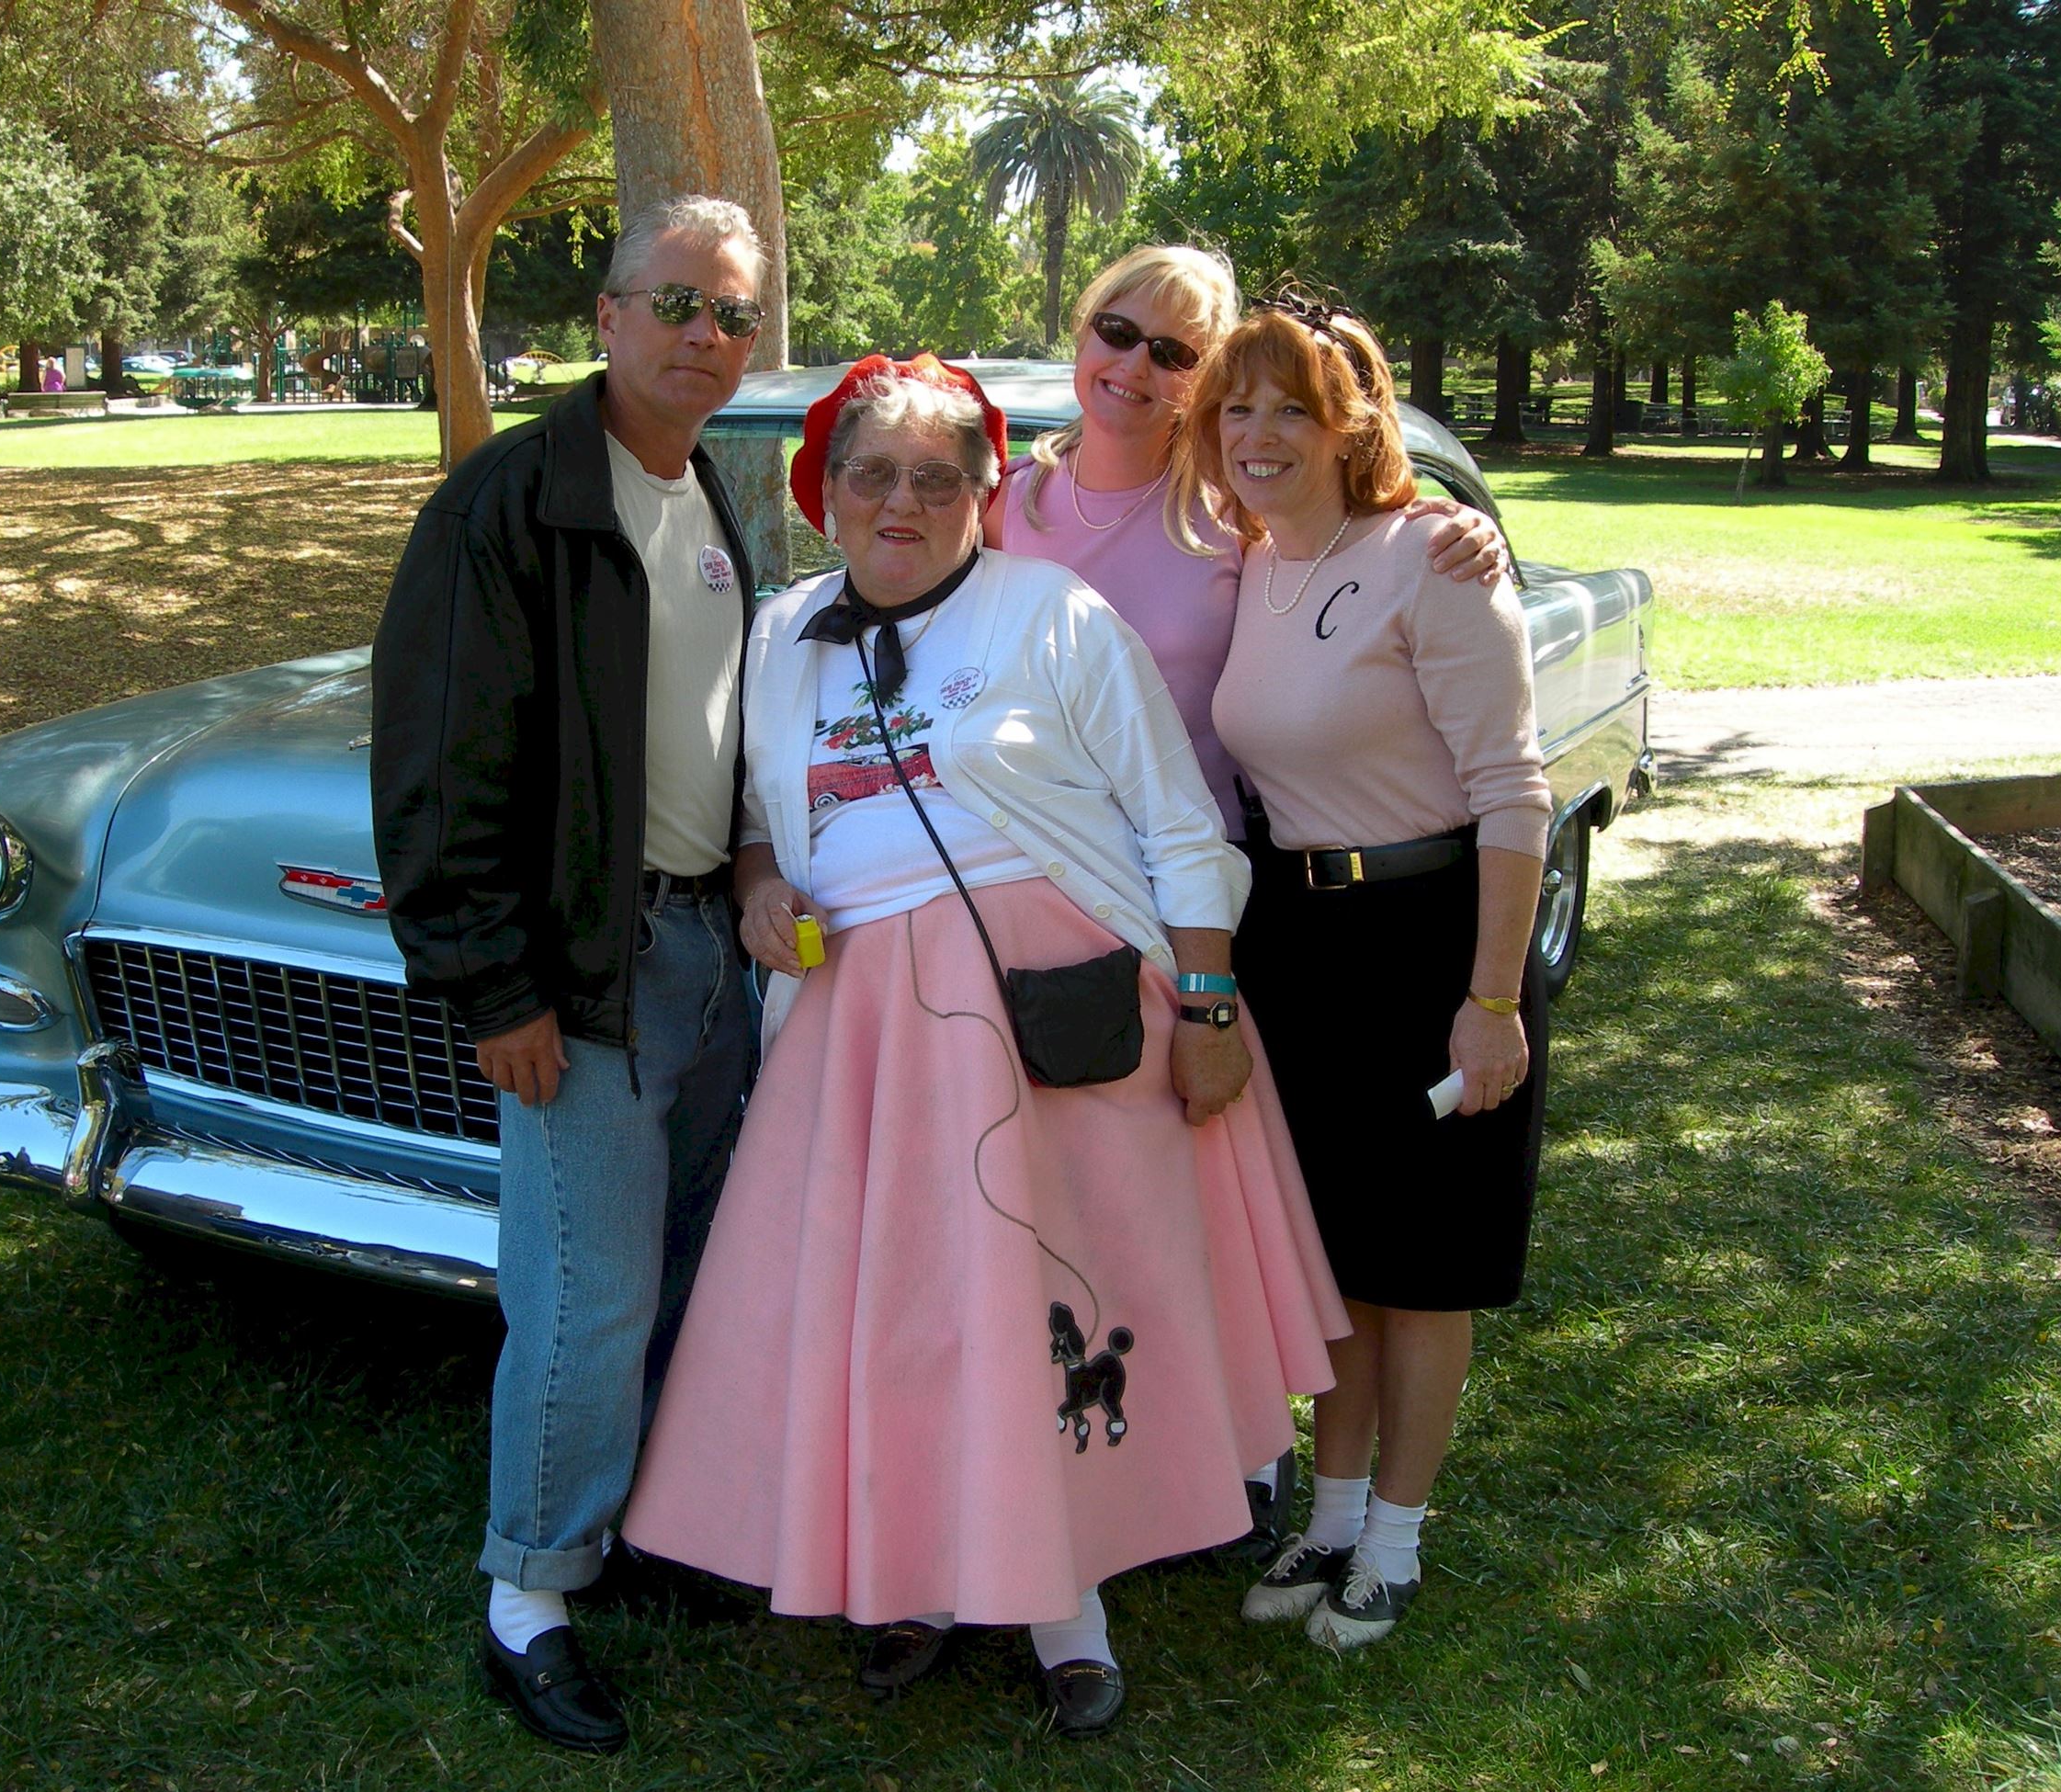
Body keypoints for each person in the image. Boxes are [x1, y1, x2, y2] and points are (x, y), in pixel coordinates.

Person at [620, 355, 1350, 1738]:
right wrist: (760, 884)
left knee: (1047, 1305)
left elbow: (1179, 823)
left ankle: (1063, 1593)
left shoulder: (1054, 616)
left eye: (937, 477)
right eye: (873, 474)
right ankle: (915, 1579)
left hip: (1064, 1018)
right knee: (907, 1310)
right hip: (865, 1038)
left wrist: (1203, 1009)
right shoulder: (778, 634)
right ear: (824, 492)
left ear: (983, 490)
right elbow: (763, 812)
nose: (903, 502)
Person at [983, 244, 1509, 1554]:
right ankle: (1052, 1450)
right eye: (1120, 330)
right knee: (1062, 1197)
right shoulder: (1001, 500)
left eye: (1177, 354)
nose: (1139, 367)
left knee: (1208, 1200)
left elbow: (1371, 561)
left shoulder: (1235, 522)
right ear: (1080, 327)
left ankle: (1245, 1462)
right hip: (1033, 900)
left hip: (1203, 908)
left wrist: (1455, 525)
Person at [369, 195, 773, 1755]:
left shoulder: (708, 497)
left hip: (696, 958)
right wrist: (495, 985)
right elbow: (437, 766)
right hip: (576, 973)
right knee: (586, 1296)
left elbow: (716, 736)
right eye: (675, 302)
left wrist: (745, 870)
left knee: (678, 1263)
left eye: (731, 314)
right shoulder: (508, 506)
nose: (703, 336)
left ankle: (642, 1525)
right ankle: (527, 1594)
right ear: (605, 316)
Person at [1168, 296, 1551, 1651]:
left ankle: (1393, 1539)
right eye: (1237, 409)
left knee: (1424, 1263)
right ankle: (1327, 1517)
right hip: (1299, 946)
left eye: (1290, 408)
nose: (1259, 434)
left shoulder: (1432, 560)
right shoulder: (1252, 560)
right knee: (1334, 1257)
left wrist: (1493, 998)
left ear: (1351, 426)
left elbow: (1515, 791)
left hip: (1433, 939)